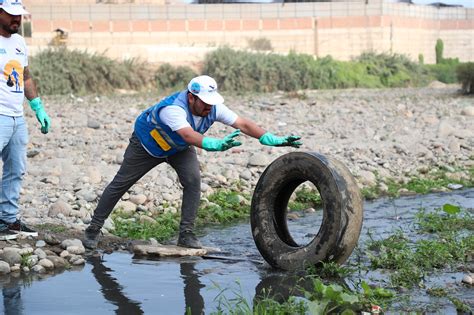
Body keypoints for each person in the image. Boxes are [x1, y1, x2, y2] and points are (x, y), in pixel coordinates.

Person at [84, 75, 301, 249]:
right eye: (205, 104)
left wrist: (269, 138)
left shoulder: (212, 107)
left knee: (193, 180)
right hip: (146, 146)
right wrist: (215, 144)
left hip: (177, 148)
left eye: (211, 103)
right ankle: (93, 229)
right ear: (191, 97)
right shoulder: (173, 109)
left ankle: (186, 235)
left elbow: (242, 123)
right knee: (121, 183)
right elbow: (188, 135)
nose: (209, 108)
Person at [0, 0, 51, 240]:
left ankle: (7, 220)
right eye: (11, 15)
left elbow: (26, 76)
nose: (17, 20)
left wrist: (37, 106)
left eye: (19, 16)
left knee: (16, 169)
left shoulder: (19, 42)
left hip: (17, 117)